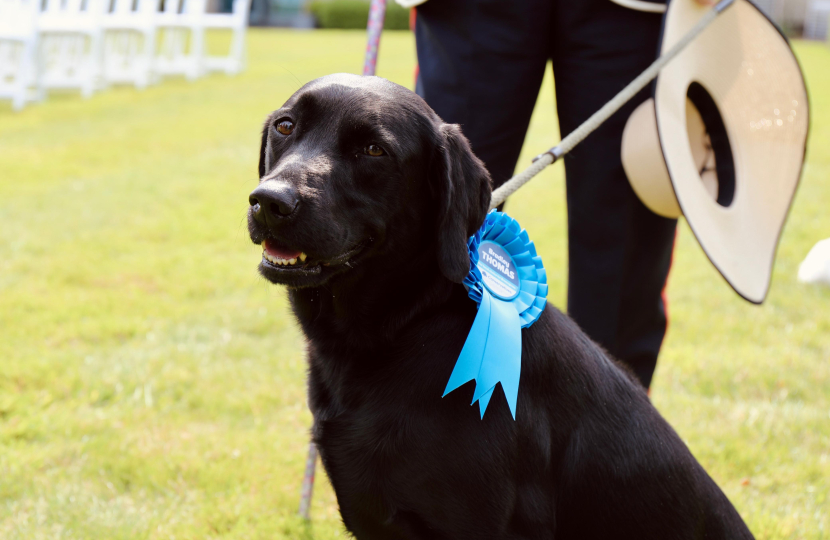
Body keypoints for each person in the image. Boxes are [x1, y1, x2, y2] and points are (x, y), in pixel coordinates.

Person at [409, 0, 714, 389]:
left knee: (622, 257)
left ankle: (610, 441)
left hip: (631, 12)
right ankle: (408, 426)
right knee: (436, 215)